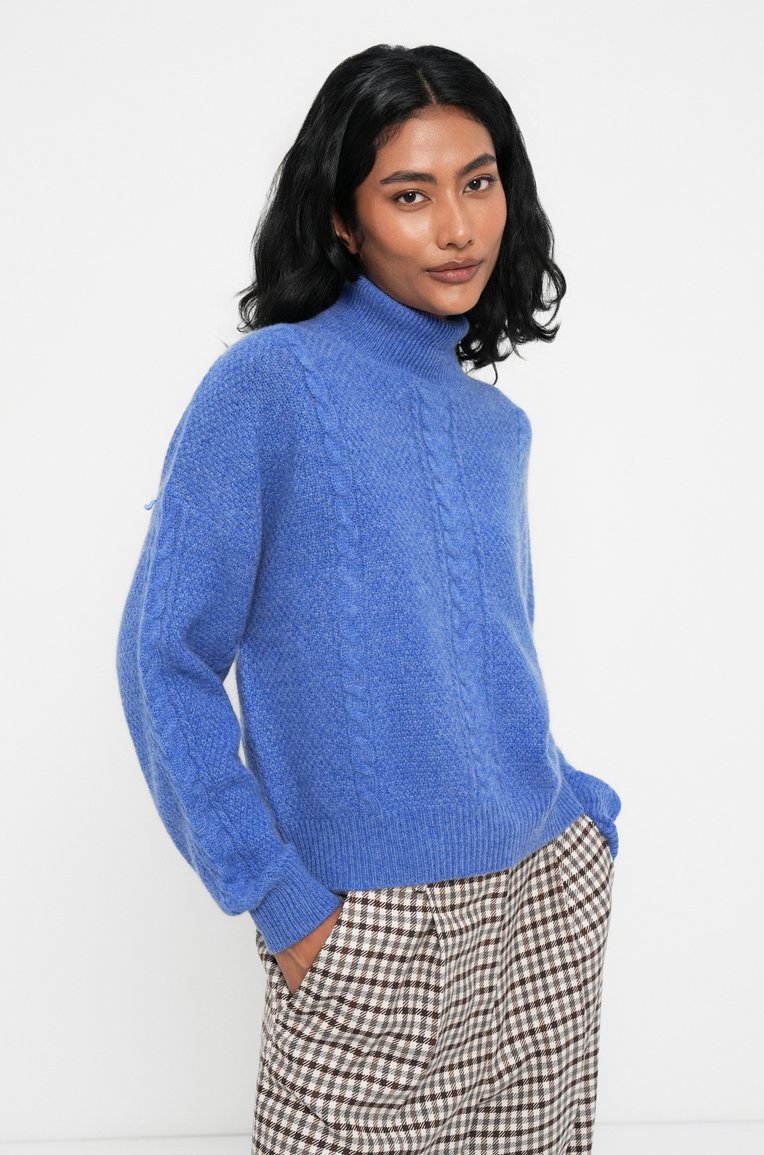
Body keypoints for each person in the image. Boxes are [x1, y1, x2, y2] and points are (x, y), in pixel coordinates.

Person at [115, 41, 622, 1155]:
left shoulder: (494, 427)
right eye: (410, 194)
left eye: (478, 182)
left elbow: (489, 653)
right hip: (372, 931)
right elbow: (164, 657)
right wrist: (279, 897)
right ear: (343, 220)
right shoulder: (267, 386)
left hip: (542, 902)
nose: (457, 227)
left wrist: (581, 816)